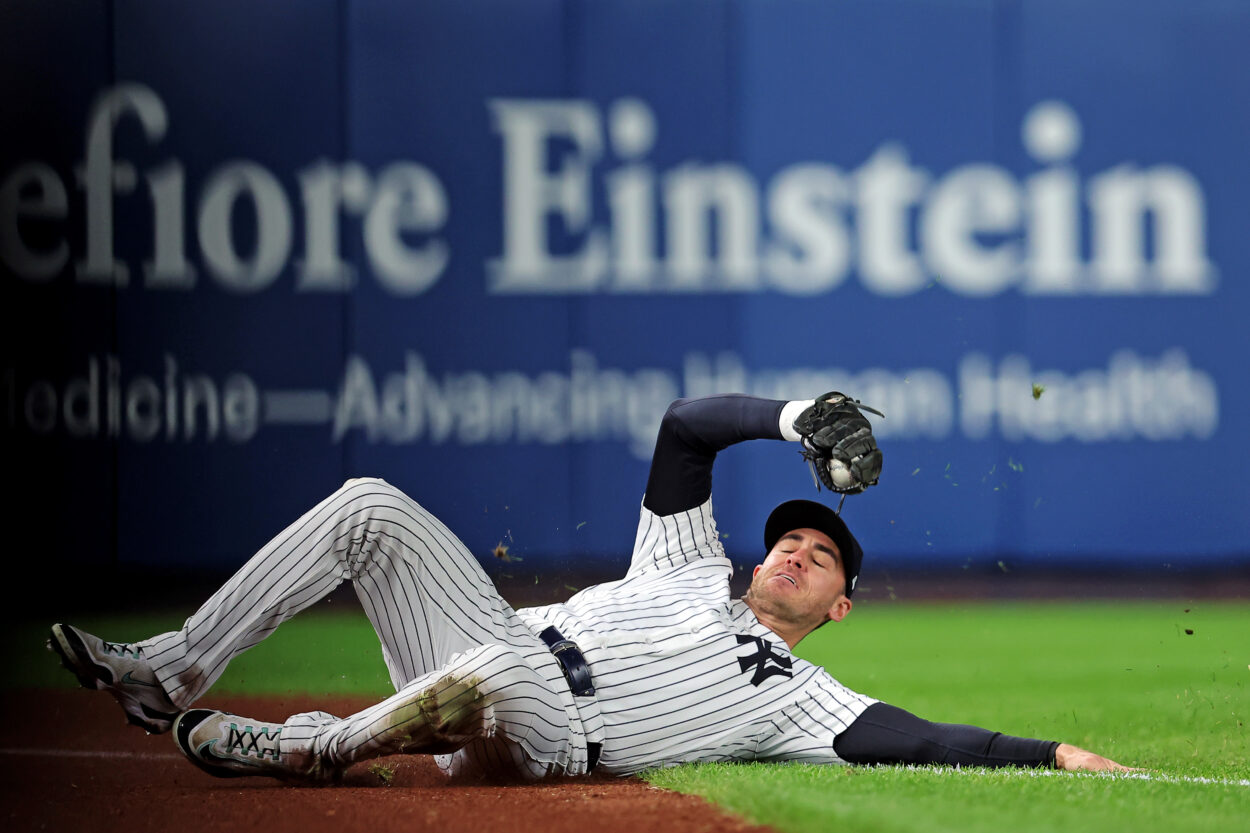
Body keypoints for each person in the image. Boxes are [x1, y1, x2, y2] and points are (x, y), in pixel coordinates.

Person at [48, 393, 1130, 781]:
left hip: (545, 725)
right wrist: (794, 416)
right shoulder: (683, 561)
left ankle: (300, 749)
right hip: (476, 654)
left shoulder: (802, 699)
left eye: (823, 555)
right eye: (788, 538)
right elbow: (684, 430)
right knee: (370, 500)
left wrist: (1050, 753)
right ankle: (174, 667)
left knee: (498, 666)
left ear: (837, 608)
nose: (797, 550)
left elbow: (927, 738)